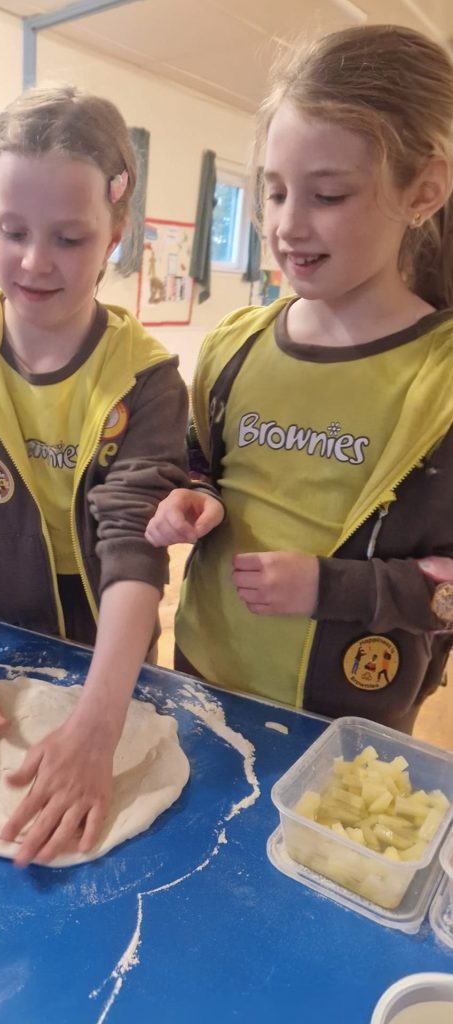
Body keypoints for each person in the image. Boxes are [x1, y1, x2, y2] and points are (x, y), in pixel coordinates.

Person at [0, 84, 193, 866]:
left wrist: (97, 728)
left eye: (68, 237)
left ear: (115, 231)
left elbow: (134, 550)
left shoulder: (145, 379)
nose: (33, 261)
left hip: (113, 659)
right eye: (11, 230)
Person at [146, 25, 453, 733]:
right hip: (202, 678)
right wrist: (189, 499)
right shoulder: (235, 347)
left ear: (423, 191)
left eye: (327, 195)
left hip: (350, 722)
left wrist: (331, 587)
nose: (287, 224)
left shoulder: (438, 381)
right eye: (275, 191)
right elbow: (196, 466)